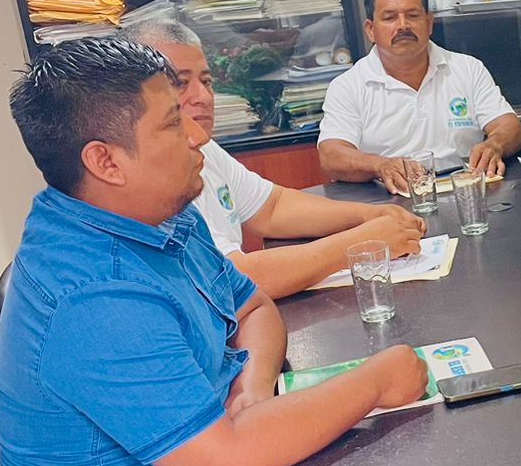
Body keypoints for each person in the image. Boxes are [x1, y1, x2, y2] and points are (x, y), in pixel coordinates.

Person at [0, 38, 430, 466]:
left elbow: (254, 307)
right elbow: (223, 463)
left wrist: (251, 390)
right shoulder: (91, 295)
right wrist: (375, 381)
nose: (198, 136)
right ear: (105, 160)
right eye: (173, 123)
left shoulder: (160, 216)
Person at [123, 19, 425, 299]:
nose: (203, 96)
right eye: (180, 83)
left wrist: (369, 215)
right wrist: (364, 243)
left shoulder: (203, 146)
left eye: (206, 81)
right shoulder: (143, 175)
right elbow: (232, 279)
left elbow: (271, 207)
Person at [318, 0, 521, 191]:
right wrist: (380, 165)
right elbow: (331, 156)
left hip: (467, 190)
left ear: (429, 22)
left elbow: (511, 128)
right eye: (390, 18)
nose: (403, 26)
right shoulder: (348, 86)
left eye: (413, 15)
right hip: (390, 198)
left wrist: (494, 145)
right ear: (371, 30)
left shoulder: (467, 69)